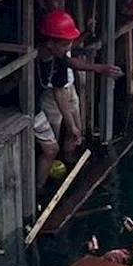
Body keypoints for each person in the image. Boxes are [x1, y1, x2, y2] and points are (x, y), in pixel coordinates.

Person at [33, 10, 122, 186]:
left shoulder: (58, 59)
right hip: (23, 105)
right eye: (66, 45)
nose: (69, 49)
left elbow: (60, 91)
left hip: (34, 105)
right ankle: (39, 191)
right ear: (50, 43)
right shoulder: (33, 57)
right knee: (51, 147)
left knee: (56, 144)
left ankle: (41, 188)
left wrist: (72, 126)